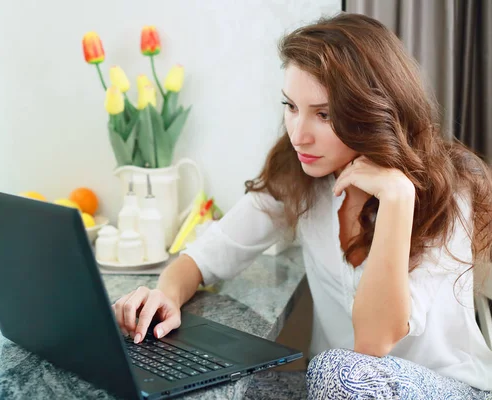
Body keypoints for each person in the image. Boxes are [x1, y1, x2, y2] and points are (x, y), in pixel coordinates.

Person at [111, 13, 492, 398]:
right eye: (291, 106)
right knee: (222, 389)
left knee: (338, 369)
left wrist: (397, 198)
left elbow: (373, 344)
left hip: (448, 388)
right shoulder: (302, 176)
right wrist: (165, 295)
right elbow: (210, 253)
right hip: (331, 388)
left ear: (373, 112)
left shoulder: (446, 192)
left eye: (324, 115)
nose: (298, 134)